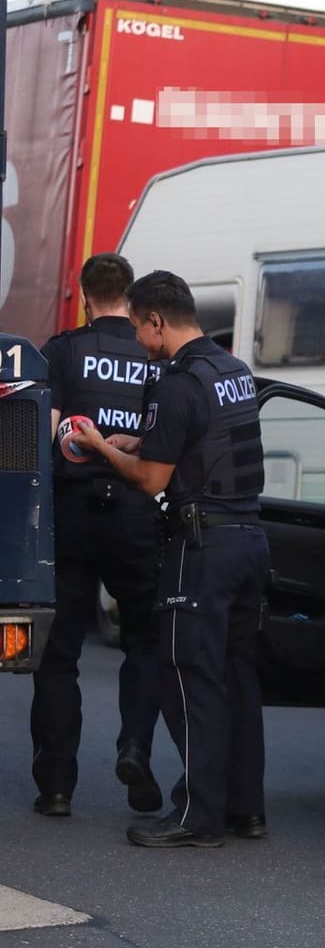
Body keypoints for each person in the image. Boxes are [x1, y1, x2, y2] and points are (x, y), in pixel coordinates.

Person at [75, 271, 271, 848]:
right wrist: (141, 438)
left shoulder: (177, 384)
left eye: (138, 328)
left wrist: (103, 446)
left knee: (190, 679)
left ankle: (197, 818)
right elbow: (202, 442)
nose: (138, 340)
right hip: (248, 543)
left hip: (201, 548)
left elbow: (149, 479)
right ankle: (245, 809)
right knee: (237, 678)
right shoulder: (231, 371)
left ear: (157, 321)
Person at [30, 254, 166, 820]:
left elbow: (45, 432)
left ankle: (57, 787)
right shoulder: (152, 355)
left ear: (85, 295)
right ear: (129, 296)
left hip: (72, 513)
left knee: (59, 653)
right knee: (145, 641)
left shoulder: (63, 350)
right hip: (136, 512)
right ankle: (134, 746)